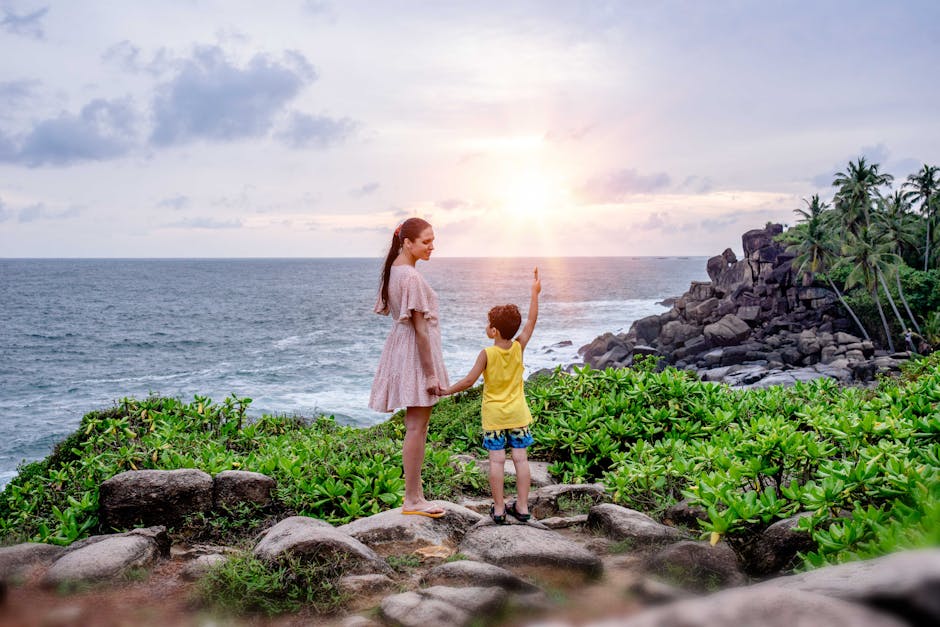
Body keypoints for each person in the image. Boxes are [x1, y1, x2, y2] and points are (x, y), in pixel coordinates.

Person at [438, 267, 541, 524]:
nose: (487, 327)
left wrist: (446, 390)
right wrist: (534, 293)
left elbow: (470, 381)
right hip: (517, 414)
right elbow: (531, 322)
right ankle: (524, 507)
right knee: (520, 459)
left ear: (494, 331)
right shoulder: (519, 347)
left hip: (494, 416)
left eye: (489, 324)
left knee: (496, 462)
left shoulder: (487, 353)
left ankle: (498, 509)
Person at [370, 217, 450, 518]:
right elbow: (420, 330)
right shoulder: (411, 277)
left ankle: (415, 496)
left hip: (402, 350)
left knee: (415, 427)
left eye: (432, 240)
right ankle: (413, 498)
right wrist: (431, 374)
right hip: (416, 354)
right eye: (426, 241)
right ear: (407, 242)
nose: (432, 246)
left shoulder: (396, 271)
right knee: (417, 427)